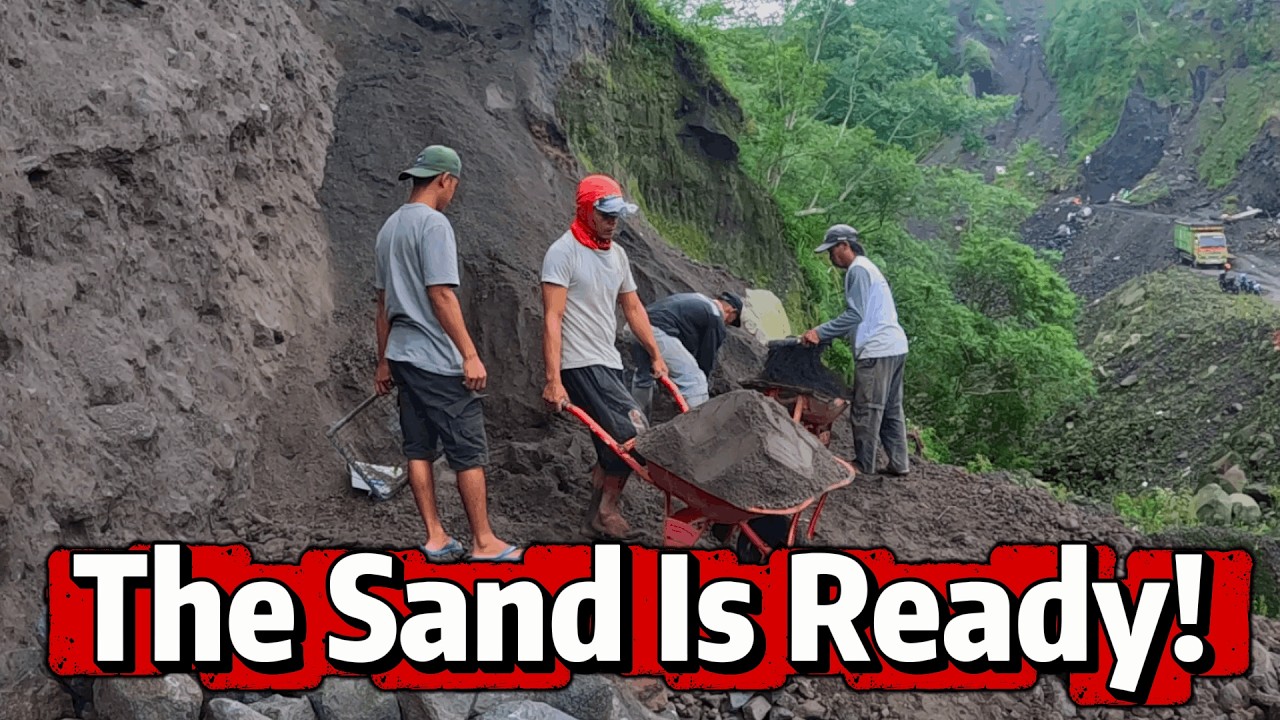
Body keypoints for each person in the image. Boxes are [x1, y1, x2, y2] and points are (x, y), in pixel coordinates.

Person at [373, 145, 520, 562]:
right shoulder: (434, 226)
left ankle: (435, 537)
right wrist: (469, 354)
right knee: (467, 449)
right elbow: (440, 293)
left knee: (418, 447)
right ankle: (484, 541)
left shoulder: (388, 228)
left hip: (402, 356)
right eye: (454, 185)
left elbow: (381, 305)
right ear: (445, 180)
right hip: (435, 359)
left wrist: (383, 361)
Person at [540, 174, 668, 539]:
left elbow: (632, 306)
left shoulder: (619, 256)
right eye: (605, 215)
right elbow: (553, 316)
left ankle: (595, 513)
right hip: (580, 362)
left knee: (613, 441)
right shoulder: (562, 253)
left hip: (608, 360)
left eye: (616, 216)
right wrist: (554, 379)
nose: (613, 223)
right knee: (632, 433)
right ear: (585, 210)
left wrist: (655, 353)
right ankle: (607, 511)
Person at [802, 223, 910, 478]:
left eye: (832, 250)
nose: (831, 256)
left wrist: (820, 332)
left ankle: (863, 464)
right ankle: (899, 462)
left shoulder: (857, 270)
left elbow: (855, 314)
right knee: (892, 408)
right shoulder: (869, 269)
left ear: (845, 246)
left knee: (867, 407)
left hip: (877, 350)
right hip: (895, 346)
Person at [628, 291, 743, 416]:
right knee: (695, 381)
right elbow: (706, 358)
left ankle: (639, 424)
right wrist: (704, 382)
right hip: (657, 331)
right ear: (731, 311)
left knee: (644, 377)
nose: (728, 324)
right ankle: (695, 430)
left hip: (636, 325)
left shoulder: (696, 299)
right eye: (732, 321)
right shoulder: (715, 316)